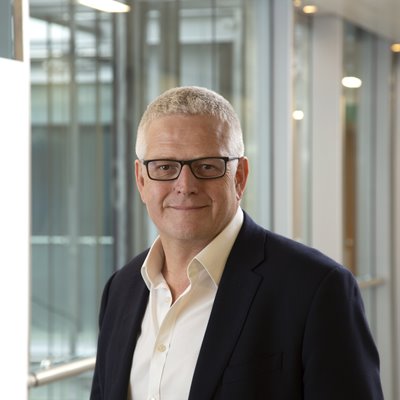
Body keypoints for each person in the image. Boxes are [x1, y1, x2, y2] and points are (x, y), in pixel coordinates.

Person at [90, 86, 383, 400]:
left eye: (207, 166)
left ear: (239, 176)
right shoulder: (120, 289)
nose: (185, 186)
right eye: (165, 167)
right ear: (141, 180)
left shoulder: (316, 289)